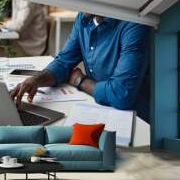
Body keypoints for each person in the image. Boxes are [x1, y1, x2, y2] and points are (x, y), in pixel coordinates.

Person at [10, 13, 150, 123]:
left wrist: (80, 81)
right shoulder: (84, 17)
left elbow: (121, 95)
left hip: (135, 120)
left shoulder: (134, 25)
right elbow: (64, 61)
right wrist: (35, 80)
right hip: (98, 108)